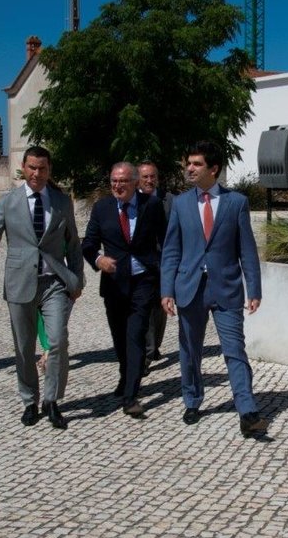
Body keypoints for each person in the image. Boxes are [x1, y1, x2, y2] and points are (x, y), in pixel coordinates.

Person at [160, 141, 269, 438]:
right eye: (188, 163)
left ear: (214, 169)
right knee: (190, 350)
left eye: (196, 164)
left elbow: (247, 249)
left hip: (227, 288)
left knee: (235, 350)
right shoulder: (180, 204)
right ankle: (192, 400)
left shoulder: (236, 202)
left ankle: (246, 410)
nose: (190, 169)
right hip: (189, 288)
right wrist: (166, 290)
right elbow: (171, 250)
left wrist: (254, 288)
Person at [0, 146, 84, 430]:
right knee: (24, 348)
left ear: (49, 170)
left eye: (42, 168)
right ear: (23, 167)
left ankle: (52, 400)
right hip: (20, 283)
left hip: (53, 283)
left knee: (57, 341)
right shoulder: (8, 203)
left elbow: (72, 243)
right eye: (32, 167)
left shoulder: (61, 201)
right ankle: (29, 401)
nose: (37, 173)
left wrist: (77, 279)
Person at [82, 162, 166, 417]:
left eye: (123, 182)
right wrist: (99, 260)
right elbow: (88, 244)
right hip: (115, 284)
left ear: (135, 183)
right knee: (119, 339)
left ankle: (131, 396)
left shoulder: (151, 206)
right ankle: (124, 375)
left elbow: (165, 240)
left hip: (143, 281)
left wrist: (163, 273)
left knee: (136, 336)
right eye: (114, 182)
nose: (118, 186)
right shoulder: (102, 208)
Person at [137, 160, 174, 368]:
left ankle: (154, 346)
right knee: (145, 308)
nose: (150, 180)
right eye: (145, 177)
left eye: (153, 176)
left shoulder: (170, 201)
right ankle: (147, 354)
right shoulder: (133, 200)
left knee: (160, 309)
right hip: (140, 265)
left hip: (163, 263)